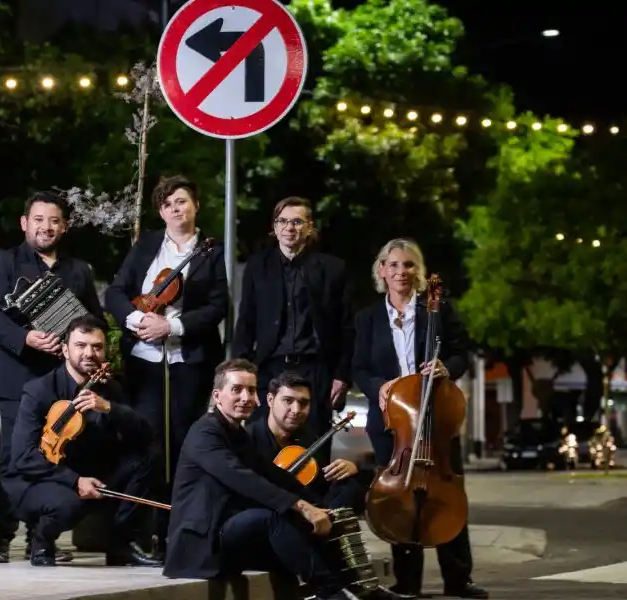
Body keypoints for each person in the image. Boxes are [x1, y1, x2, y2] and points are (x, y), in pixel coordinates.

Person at [164, 359, 402, 600]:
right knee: (274, 517)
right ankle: (331, 593)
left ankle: (359, 586)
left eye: (251, 390)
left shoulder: (236, 433)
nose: (246, 397)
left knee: (312, 518)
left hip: (228, 528)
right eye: (237, 389)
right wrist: (300, 506)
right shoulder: (205, 432)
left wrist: (318, 508)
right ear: (218, 396)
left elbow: (273, 474)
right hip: (203, 539)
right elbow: (241, 477)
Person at [351, 238, 488, 599]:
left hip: (435, 420)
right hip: (393, 423)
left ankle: (459, 579)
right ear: (382, 270)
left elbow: (462, 354)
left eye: (409, 265)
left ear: (419, 272)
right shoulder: (367, 318)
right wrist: (378, 387)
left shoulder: (437, 311)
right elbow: (360, 367)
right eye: (393, 265)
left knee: (446, 497)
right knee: (400, 500)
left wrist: (446, 367)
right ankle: (407, 581)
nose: (401, 272)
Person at [104, 174, 229, 555]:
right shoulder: (146, 246)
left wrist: (171, 325)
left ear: (196, 206)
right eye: (169, 203)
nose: (177, 208)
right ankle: (135, 535)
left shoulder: (212, 251)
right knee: (146, 445)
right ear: (161, 211)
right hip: (144, 364)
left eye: (183, 201)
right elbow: (115, 292)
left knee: (183, 447)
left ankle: (178, 531)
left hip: (188, 363)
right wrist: (137, 320)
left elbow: (217, 306)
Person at [0, 191, 105, 563]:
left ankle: (43, 536)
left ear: (63, 226)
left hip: (59, 380)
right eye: (38, 219)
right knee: (12, 458)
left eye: (53, 221)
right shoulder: (2, 263)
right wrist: (26, 337)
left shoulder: (78, 270)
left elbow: (93, 321)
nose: (45, 227)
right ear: (24, 223)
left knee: (56, 454)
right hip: (14, 376)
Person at [3, 314, 162, 567]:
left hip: (89, 470)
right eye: (81, 346)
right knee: (69, 504)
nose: (89, 353)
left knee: (148, 457)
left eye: (97, 347)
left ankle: (120, 546)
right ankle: (41, 542)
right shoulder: (40, 391)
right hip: (41, 478)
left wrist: (110, 407)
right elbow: (23, 457)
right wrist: (75, 480)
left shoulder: (109, 389)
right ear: (65, 350)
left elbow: (143, 435)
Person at [233, 196, 354, 436]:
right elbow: (246, 321)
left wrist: (341, 376)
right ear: (274, 227)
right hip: (269, 368)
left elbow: (346, 326)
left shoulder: (332, 268)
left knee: (314, 446)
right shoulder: (258, 266)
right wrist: (240, 371)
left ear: (310, 227)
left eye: (297, 222)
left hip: (315, 369)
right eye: (283, 221)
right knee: (263, 443)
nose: (289, 228)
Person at [245, 371, 370, 516]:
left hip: (304, 509)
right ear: (270, 400)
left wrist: (351, 468)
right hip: (264, 511)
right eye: (288, 401)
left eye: (303, 403)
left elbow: (321, 485)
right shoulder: (247, 438)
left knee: (350, 487)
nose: (296, 410)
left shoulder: (309, 438)